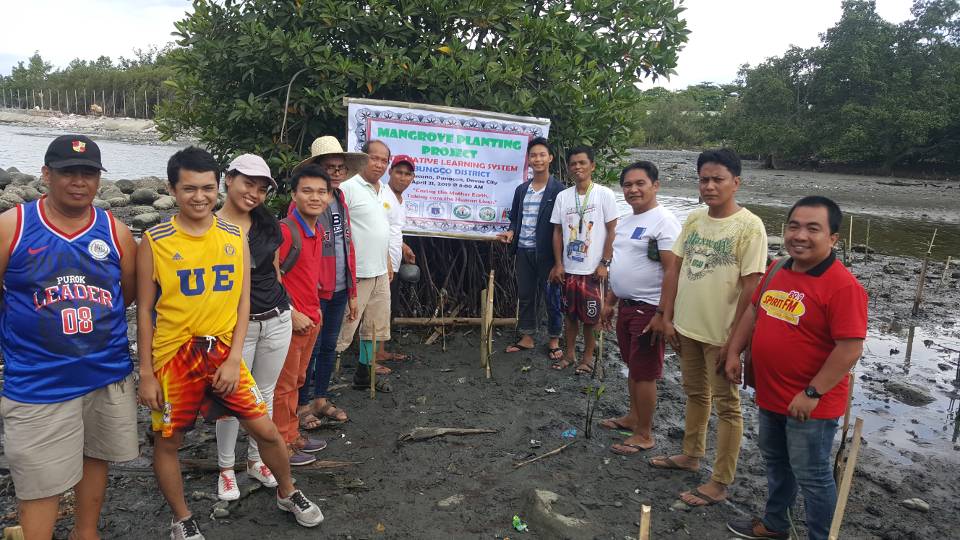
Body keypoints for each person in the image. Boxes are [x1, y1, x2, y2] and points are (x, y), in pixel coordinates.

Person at [137, 147, 323, 539]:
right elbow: (144, 312)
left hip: (223, 352)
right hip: (174, 356)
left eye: (206, 188)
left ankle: (288, 492)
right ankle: (182, 518)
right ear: (173, 189)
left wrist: (234, 355)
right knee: (169, 441)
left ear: (216, 186)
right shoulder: (155, 241)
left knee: (266, 429)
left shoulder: (234, 236)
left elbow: (242, 303)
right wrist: (146, 373)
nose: (199, 197)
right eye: (189, 188)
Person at [0, 135, 138, 540]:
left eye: (88, 173)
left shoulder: (115, 230)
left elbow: (124, 294)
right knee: (39, 478)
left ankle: (86, 532)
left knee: (96, 457)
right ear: (46, 174)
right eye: (67, 172)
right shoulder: (14, 225)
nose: (79, 182)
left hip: (104, 371)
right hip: (38, 380)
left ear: (98, 179)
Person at [725, 196, 866, 540]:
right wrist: (734, 351)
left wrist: (812, 392)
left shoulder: (843, 286)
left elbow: (850, 348)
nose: (800, 235)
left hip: (810, 404)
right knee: (776, 463)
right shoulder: (777, 269)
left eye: (812, 228)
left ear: (833, 238)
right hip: (770, 394)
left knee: (813, 474)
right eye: (794, 226)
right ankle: (775, 525)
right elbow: (753, 312)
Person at [648, 148, 767, 508]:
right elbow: (674, 269)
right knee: (695, 394)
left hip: (721, 336)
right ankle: (690, 455)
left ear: (736, 183)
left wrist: (735, 345)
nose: (710, 186)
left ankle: (720, 480)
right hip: (686, 328)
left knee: (728, 408)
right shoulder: (696, 220)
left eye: (718, 179)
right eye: (704, 179)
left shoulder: (750, 226)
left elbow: (751, 289)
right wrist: (667, 317)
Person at [213, 154, 290, 500]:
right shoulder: (209, 226)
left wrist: (289, 308)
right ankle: (226, 469)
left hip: (275, 318)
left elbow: (274, 271)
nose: (253, 193)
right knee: (231, 398)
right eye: (248, 183)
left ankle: (256, 460)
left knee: (265, 394)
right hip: (231, 327)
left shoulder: (266, 225)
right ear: (229, 179)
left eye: (261, 188)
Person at [599, 161, 680, 454]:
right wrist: (610, 301)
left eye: (640, 184)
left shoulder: (664, 221)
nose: (633, 190)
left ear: (655, 185)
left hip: (649, 309)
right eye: (628, 185)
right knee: (632, 366)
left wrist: (663, 314)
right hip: (627, 307)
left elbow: (673, 270)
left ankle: (645, 433)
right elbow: (620, 264)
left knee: (645, 372)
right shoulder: (626, 220)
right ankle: (633, 417)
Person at [293, 136, 361, 428]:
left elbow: (347, 245)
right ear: (318, 168)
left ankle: (320, 398)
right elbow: (300, 258)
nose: (335, 172)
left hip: (340, 287)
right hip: (315, 291)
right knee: (309, 349)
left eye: (340, 167)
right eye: (329, 167)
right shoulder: (304, 205)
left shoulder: (341, 199)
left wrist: (353, 291)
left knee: (329, 347)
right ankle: (302, 405)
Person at [273, 164, 336, 465]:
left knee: (298, 381)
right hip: (290, 321)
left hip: (311, 318)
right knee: (283, 385)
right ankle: (281, 445)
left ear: (329, 196)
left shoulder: (318, 230)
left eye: (321, 192)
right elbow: (268, 278)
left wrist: (316, 311)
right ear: (294, 194)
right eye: (307, 191)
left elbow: (310, 276)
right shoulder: (285, 231)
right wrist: (291, 312)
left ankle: (293, 433)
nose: (315, 197)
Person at [548, 145, 619, 374]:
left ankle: (587, 358)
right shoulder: (563, 196)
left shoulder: (604, 194)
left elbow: (612, 230)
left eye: (582, 163)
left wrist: (604, 263)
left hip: (592, 270)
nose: (577, 167)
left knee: (591, 318)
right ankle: (569, 354)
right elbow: (557, 232)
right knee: (569, 316)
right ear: (568, 168)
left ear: (592, 166)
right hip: (569, 269)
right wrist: (559, 264)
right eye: (573, 164)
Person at [498, 137, 565, 362]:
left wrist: (559, 262)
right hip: (524, 251)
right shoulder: (522, 190)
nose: (537, 159)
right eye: (533, 155)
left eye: (542, 155)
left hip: (547, 254)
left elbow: (562, 227)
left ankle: (554, 339)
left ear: (550, 158)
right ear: (529, 159)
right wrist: (511, 232)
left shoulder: (559, 191)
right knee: (526, 296)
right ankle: (527, 336)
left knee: (552, 297)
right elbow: (516, 219)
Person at [337, 139, 394, 391]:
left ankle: (364, 374)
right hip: (356, 272)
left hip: (380, 271)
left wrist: (388, 261)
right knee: (343, 329)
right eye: (374, 157)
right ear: (362, 159)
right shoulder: (347, 187)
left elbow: (382, 228)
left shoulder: (381, 189)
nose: (379, 164)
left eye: (384, 160)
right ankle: (316, 383)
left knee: (374, 326)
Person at [377, 153, 418, 363]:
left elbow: (392, 231)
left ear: (412, 178)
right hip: (380, 264)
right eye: (399, 172)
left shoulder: (400, 199)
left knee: (387, 309)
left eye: (408, 174)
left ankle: (380, 351)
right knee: (376, 313)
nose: (403, 177)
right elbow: (376, 231)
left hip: (391, 263)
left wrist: (403, 247)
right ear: (390, 172)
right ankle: (371, 358)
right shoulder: (383, 195)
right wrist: (385, 259)